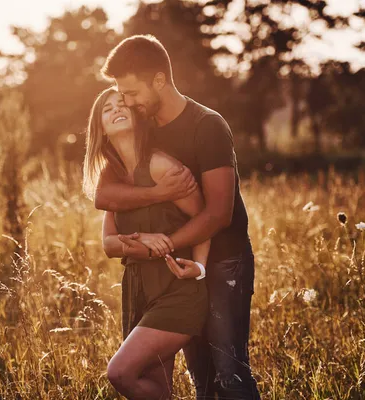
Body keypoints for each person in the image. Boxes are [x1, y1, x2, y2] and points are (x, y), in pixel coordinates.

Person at [95, 35, 261, 399]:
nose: (128, 102)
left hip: (224, 261)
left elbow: (219, 214)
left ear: (159, 80)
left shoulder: (207, 126)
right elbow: (106, 193)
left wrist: (160, 246)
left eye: (133, 93)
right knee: (201, 375)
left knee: (229, 372)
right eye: (122, 95)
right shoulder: (144, 128)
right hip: (181, 266)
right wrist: (157, 195)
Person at [83, 86, 213, 399]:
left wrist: (199, 267)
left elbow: (205, 218)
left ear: (135, 115)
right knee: (156, 388)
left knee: (121, 372)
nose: (116, 109)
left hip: (175, 290)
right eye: (107, 108)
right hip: (138, 290)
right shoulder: (111, 178)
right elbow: (109, 245)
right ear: (99, 127)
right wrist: (140, 240)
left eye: (121, 104)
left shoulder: (159, 165)